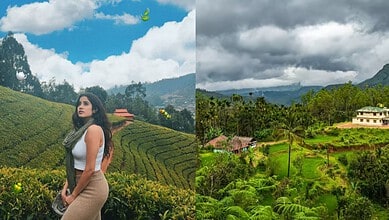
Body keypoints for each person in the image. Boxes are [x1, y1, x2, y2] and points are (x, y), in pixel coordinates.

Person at [61, 92, 113, 220]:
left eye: (85, 104)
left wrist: (73, 196)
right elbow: (75, 165)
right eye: (79, 104)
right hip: (79, 183)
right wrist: (65, 187)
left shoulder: (93, 130)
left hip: (93, 188)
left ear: (94, 109)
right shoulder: (79, 132)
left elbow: (89, 169)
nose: (80, 107)